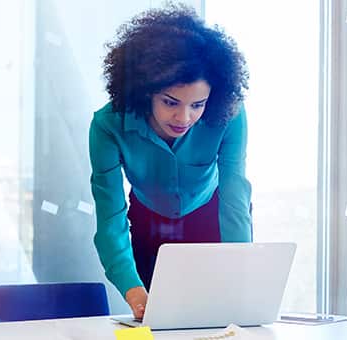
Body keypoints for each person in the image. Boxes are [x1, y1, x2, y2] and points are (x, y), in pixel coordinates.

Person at [88, 3, 251, 320]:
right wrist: (132, 289)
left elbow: (235, 198)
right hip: (148, 222)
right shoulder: (107, 125)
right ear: (144, 91)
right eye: (170, 102)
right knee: (156, 321)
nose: (184, 117)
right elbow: (110, 219)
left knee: (222, 316)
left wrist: (241, 273)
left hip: (212, 215)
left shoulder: (230, 114)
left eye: (198, 105)